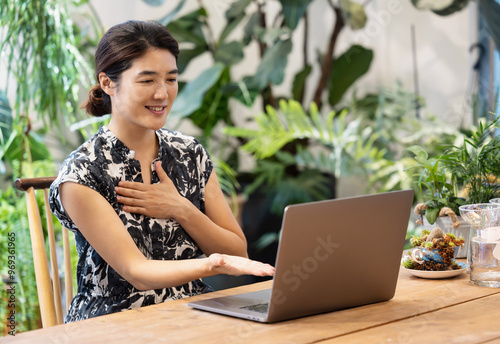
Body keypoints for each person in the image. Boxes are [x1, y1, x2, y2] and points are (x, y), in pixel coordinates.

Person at [49, 20, 274, 323]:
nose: (162, 94)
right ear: (107, 83)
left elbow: (237, 250)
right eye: (147, 81)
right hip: (112, 322)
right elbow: (137, 272)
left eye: (170, 79)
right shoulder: (82, 173)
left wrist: (180, 208)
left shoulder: (189, 153)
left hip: (194, 313)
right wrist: (212, 264)